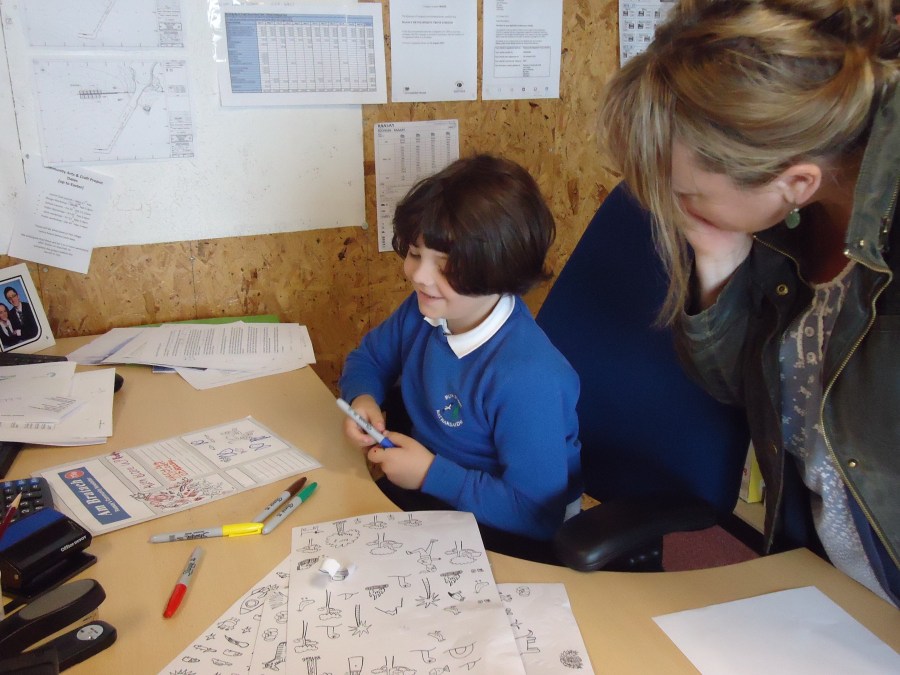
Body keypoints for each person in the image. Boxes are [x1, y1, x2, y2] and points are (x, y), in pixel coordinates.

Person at [597, 0, 899, 605]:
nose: (671, 211)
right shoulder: (783, 219)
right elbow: (741, 388)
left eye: (686, 194)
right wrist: (716, 261)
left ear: (797, 182)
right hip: (835, 584)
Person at [339, 154, 582, 559]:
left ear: (499, 267)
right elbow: (368, 360)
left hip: (511, 531)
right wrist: (363, 399)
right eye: (415, 253)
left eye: (444, 264)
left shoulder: (527, 377)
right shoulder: (426, 309)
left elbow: (535, 514)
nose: (418, 275)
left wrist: (429, 474)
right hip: (436, 494)